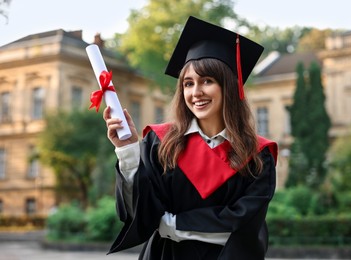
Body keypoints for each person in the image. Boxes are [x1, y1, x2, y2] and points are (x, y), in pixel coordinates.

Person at [103, 16, 278, 260]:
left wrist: (172, 224)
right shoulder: (161, 142)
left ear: (228, 86)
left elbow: (246, 224)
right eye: (188, 83)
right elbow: (141, 212)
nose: (196, 92)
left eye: (207, 81)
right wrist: (128, 149)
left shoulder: (257, 154)